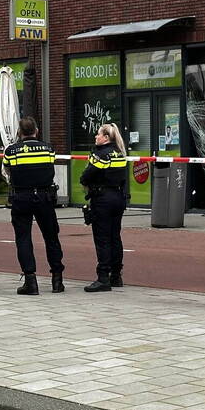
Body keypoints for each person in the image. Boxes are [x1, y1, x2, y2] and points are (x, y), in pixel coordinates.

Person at [3, 117, 64, 295]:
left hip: (22, 196)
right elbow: (50, 165)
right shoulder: (48, 148)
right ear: (36, 131)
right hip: (45, 196)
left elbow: (7, 170)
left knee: (23, 238)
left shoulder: (12, 151)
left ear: (19, 133)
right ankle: (57, 280)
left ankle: (31, 281)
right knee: (51, 237)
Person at [80, 123, 128, 292]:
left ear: (106, 138)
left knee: (102, 238)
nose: (95, 137)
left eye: (98, 134)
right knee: (115, 236)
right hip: (118, 198)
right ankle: (116, 275)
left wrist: (86, 182)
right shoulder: (119, 153)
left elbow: (86, 176)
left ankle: (103, 278)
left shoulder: (99, 154)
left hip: (102, 199)